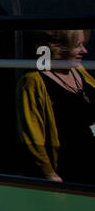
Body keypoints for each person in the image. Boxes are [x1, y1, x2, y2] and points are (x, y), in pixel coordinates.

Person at [17, 29, 95, 185]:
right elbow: (32, 135)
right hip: (69, 174)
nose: (84, 51)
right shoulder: (33, 82)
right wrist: (49, 174)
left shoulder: (78, 71)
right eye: (77, 45)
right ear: (60, 47)